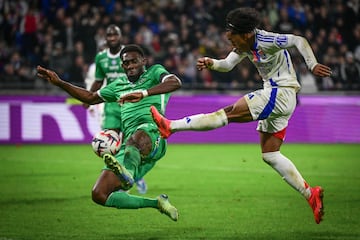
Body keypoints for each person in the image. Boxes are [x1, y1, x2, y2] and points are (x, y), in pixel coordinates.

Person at [150, 7, 332, 224]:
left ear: (246, 34)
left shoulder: (266, 39)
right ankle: (311, 194)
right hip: (280, 97)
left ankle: (171, 126)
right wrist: (211, 63)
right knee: (270, 155)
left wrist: (312, 65)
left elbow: (298, 40)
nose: (231, 43)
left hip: (279, 92)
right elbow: (227, 65)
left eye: (232, 38)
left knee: (226, 114)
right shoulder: (245, 45)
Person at [37, 44, 182, 221]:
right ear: (122, 66)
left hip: (153, 134)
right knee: (99, 194)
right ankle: (157, 203)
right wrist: (60, 83)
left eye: (134, 61)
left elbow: (175, 82)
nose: (130, 66)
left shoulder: (154, 72)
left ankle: (127, 176)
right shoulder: (118, 85)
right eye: (126, 63)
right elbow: (90, 98)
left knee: (136, 138)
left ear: (144, 61)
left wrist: (143, 93)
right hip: (129, 146)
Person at [86, 24, 148, 194]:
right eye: (109, 36)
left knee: (132, 144)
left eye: (115, 35)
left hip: (130, 104)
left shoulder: (128, 55)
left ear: (120, 37)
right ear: (105, 38)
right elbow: (99, 81)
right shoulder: (101, 58)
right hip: (111, 106)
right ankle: (117, 179)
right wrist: (89, 97)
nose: (112, 38)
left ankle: (135, 174)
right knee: (109, 143)